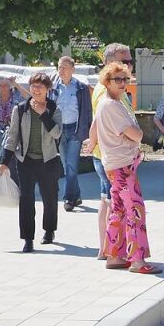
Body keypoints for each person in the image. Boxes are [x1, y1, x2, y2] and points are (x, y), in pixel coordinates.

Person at [94, 62, 158, 274]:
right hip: (122, 165)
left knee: (119, 211)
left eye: (125, 79)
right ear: (107, 81)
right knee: (135, 211)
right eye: (117, 79)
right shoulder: (112, 105)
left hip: (114, 164)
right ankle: (138, 261)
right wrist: (137, 133)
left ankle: (114, 255)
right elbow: (137, 134)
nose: (123, 83)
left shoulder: (108, 102)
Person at [0, 72, 62, 253]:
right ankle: (27, 239)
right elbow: (12, 137)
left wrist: (43, 115)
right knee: (26, 199)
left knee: (50, 199)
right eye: (33, 86)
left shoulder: (54, 109)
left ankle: (49, 231)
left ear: (47, 90)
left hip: (48, 161)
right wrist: (4, 162)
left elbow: (57, 133)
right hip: (25, 161)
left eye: (40, 87)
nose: (36, 90)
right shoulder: (20, 109)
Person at [84, 42, 136, 260]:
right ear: (108, 63)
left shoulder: (115, 88)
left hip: (109, 155)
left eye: (130, 61)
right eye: (124, 61)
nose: (129, 65)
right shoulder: (105, 89)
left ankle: (107, 248)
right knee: (111, 202)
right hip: (111, 156)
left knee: (109, 200)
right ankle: (108, 249)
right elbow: (98, 121)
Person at [50, 55, 92, 212]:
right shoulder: (53, 88)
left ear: (72, 70)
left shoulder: (81, 88)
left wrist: (87, 133)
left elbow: (87, 111)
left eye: (64, 67)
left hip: (75, 130)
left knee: (71, 164)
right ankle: (77, 196)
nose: (61, 70)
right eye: (59, 67)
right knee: (66, 167)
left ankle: (68, 198)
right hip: (59, 130)